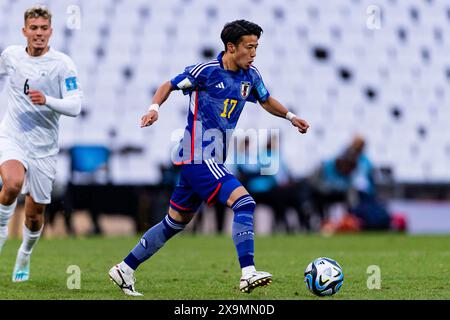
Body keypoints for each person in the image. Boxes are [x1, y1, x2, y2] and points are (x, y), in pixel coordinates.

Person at [108, 19, 309, 296]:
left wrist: (290, 117)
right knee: (245, 202)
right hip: (198, 155)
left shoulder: (250, 75)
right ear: (231, 47)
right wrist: (154, 108)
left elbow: (265, 99)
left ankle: (124, 268)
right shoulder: (206, 72)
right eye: (249, 47)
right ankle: (247, 273)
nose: (253, 53)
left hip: (210, 159)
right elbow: (169, 84)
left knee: (174, 222)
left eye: (256, 47)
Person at [0, 6, 82, 282]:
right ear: (24, 31)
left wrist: (47, 100)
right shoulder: (10, 56)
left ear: (51, 32)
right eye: (33, 28)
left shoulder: (62, 64)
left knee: (35, 216)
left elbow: (75, 106)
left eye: (43, 29)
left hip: (44, 149)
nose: (38, 33)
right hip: (12, 137)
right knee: (11, 184)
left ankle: (24, 252)